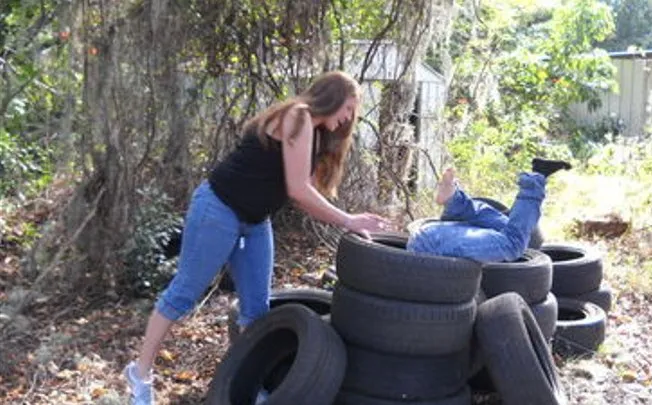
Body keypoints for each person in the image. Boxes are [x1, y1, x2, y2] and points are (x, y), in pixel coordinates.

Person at [123, 71, 390, 405]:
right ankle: (140, 374)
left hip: (254, 221)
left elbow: (305, 194)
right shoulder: (298, 116)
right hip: (218, 209)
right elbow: (298, 191)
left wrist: (348, 219)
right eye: (348, 107)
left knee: (256, 311)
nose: (350, 117)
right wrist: (348, 220)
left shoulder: (317, 134)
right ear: (332, 97)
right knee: (183, 295)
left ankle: (249, 385)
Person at [407, 158, 571, 262]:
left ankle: (455, 200)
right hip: (431, 240)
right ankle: (455, 201)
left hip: (433, 239)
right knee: (512, 239)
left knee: (509, 235)